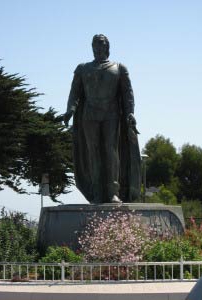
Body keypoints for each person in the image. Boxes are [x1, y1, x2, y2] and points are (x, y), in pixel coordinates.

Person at [64, 34, 141, 204]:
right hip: (90, 115)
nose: (98, 49)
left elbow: (128, 94)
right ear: (92, 48)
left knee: (111, 152)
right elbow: (75, 92)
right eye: (95, 46)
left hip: (111, 115)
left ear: (107, 47)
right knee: (93, 153)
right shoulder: (83, 69)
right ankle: (97, 192)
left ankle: (113, 191)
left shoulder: (119, 68)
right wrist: (70, 110)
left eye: (101, 46)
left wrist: (130, 112)